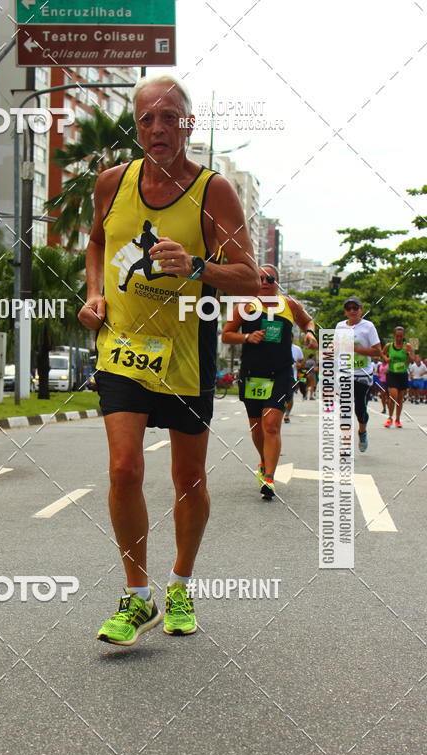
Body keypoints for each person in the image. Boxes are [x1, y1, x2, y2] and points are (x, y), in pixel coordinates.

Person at [78, 74, 259, 645]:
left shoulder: (214, 192)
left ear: (188, 123)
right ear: (137, 125)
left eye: (169, 117)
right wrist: (94, 292)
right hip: (123, 346)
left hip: (187, 350)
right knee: (124, 468)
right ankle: (137, 596)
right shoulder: (111, 183)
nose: (158, 128)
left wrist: (198, 266)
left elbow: (250, 277)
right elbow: (97, 244)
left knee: (188, 478)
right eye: (147, 118)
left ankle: (180, 583)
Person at [221, 265, 318, 499]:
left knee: (272, 424)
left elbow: (308, 322)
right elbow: (226, 334)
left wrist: (310, 333)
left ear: (277, 282)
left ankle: (269, 479)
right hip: (253, 373)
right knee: (257, 427)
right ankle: (264, 460)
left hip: (281, 373)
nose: (264, 281)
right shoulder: (245, 306)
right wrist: (247, 336)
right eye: (260, 277)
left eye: (269, 278)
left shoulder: (290, 305)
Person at [335, 297, 381, 452]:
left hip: (363, 374)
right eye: (349, 308)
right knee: (345, 408)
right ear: (345, 311)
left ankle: (362, 432)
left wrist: (355, 348)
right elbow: (335, 347)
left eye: (356, 308)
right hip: (345, 373)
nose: (352, 311)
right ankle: (346, 444)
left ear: (361, 309)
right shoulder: (340, 326)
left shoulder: (368, 327)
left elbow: (377, 351)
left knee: (360, 409)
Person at [382, 327, 413, 427]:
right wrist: (386, 359)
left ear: (403, 336)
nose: (399, 338)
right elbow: (382, 354)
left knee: (399, 399)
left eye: (401, 336)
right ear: (394, 335)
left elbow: (412, 360)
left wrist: (408, 353)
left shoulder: (407, 346)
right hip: (392, 374)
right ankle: (390, 418)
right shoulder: (389, 346)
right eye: (397, 336)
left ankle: (397, 420)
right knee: (393, 397)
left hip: (403, 375)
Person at [284, 335, 304, 423]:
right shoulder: (279, 347)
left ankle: (287, 415)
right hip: (278, 376)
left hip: (292, 377)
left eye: (290, 337)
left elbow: (301, 361)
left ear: (292, 338)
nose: (289, 339)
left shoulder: (297, 349)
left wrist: (299, 365)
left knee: (290, 397)